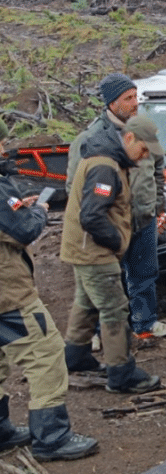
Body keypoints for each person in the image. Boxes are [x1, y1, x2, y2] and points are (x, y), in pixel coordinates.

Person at [0, 120, 99, 462]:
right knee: (47, 355)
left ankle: (1, 430)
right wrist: (38, 211)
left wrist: (16, 208)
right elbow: (23, 229)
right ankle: (52, 437)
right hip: (8, 294)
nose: (5, 150)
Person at [65, 73, 166, 340]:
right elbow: (74, 187)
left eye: (136, 96)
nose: (135, 102)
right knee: (102, 281)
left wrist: (157, 204)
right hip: (109, 224)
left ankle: (145, 325)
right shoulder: (90, 138)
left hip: (143, 218)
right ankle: (94, 334)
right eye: (128, 98)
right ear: (112, 103)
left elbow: (158, 168)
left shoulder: (144, 129)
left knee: (145, 274)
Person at [61, 116, 164, 393]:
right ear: (128, 138)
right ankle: (121, 372)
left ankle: (76, 356)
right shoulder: (105, 168)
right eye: (143, 150)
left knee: (87, 302)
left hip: (83, 248)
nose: (144, 158)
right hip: (94, 251)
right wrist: (117, 241)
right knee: (114, 308)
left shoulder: (108, 160)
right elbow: (92, 216)